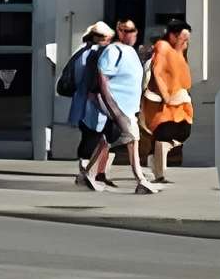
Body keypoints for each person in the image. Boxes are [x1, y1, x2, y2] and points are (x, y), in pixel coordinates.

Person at [98, 17, 156, 194]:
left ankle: (89, 174)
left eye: (132, 30)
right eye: (125, 30)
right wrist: (111, 106)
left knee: (108, 142)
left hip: (130, 107)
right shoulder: (113, 50)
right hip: (118, 105)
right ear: (119, 32)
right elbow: (102, 77)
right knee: (133, 138)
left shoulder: (130, 51)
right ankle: (140, 179)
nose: (130, 34)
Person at [143, 17, 194, 181]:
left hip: (180, 101)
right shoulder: (163, 47)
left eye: (187, 39)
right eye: (183, 38)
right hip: (167, 103)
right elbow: (157, 72)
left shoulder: (179, 51)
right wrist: (166, 96)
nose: (185, 42)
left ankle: (156, 160)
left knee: (182, 132)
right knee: (164, 134)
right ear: (173, 36)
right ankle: (159, 172)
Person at [66, 20, 114, 188]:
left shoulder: (80, 52)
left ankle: (89, 172)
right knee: (97, 137)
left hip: (81, 102)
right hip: (95, 103)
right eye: (108, 38)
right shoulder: (97, 54)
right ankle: (92, 173)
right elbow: (95, 81)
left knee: (91, 137)